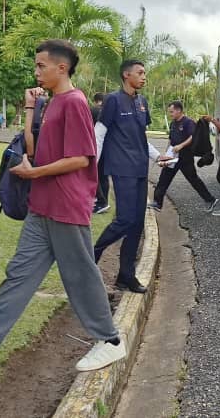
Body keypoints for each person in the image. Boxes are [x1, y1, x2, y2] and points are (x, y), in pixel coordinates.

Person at [0, 39, 125, 375]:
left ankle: (110, 341)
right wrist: (28, 110)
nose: (36, 71)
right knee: (18, 276)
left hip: (66, 205)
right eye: (36, 65)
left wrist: (33, 172)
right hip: (42, 205)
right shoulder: (52, 103)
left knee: (80, 275)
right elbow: (35, 148)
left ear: (61, 67)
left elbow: (81, 158)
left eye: (41, 66)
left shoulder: (75, 102)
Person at [92, 60, 165, 294]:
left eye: (145, 73)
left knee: (136, 224)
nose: (144, 77)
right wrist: (90, 165)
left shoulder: (142, 102)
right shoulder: (113, 100)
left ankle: (126, 275)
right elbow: (100, 133)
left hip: (140, 169)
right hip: (122, 168)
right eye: (140, 73)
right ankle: (93, 254)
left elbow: (140, 137)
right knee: (124, 219)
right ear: (126, 75)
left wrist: (157, 157)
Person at [149, 101, 218, 212]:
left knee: (193, 180)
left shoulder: (188, 122)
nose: (170, 114)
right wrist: (166, 154)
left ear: (179, 110)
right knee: (163, 179)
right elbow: (171, 140)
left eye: (171, 112)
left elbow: (192, 137)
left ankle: (210, 200)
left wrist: (181, 146)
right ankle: (157, 203)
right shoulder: (173, 123)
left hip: (185, 156)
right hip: (173, 157)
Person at [91, 92, 110, 214]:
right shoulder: (107, 112)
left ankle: (100, 201)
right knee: (103, 176)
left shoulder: (93, 110)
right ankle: (104, 201)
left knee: (93, 173)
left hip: (97, 145)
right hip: (108, 147)